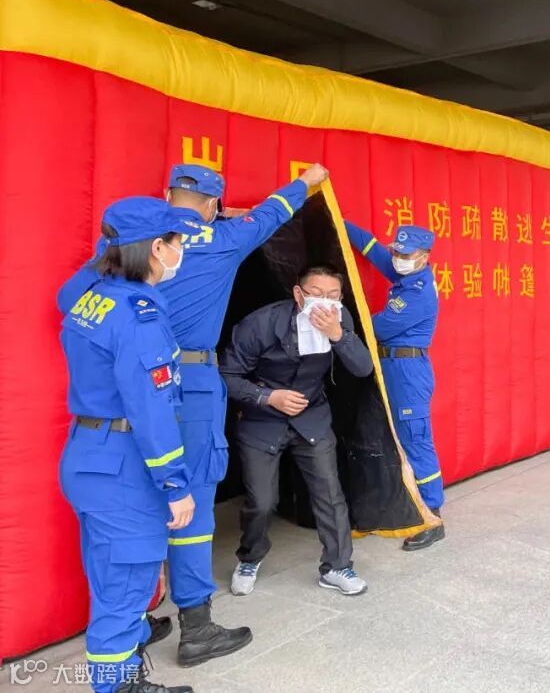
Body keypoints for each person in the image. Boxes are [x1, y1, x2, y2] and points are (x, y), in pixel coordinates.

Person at [57, 162, 330, 661]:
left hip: (118, 396)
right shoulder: (224, 238)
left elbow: (68, 300)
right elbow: (273, 212)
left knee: (131, 501)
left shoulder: (117, 248)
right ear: (212, 206)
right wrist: (307, 181)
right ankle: (196, 625)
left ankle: (132, 624)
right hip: (192, 385)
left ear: (167, 196)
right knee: (192, 502)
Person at [57, 197, 196, 693]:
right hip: (122, 465)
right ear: (157, 248)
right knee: (125, 584)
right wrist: (176, 486)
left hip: (87, 454)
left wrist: (111, 245)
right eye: (176, 242)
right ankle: (117, 685)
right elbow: (151, 412)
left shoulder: (91, 294)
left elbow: (64, 295)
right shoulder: (139, 318)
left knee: (109, 571)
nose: (181, 251)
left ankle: (128, 657)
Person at [222, 265, 373, 594]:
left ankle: (337, 566)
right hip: (262, 419)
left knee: (330, 494)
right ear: (298, 294)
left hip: (311, 417)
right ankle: (250, 557)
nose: (325, 302)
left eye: (333, 296)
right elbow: (227, 376)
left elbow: (363, 367)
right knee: (261, 502)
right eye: (316, 294)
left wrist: (338, 335)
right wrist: (267, 397)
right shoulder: (260, 324)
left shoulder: (339, 319)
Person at [344, 222, 448, 546]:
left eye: (406, 255)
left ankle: (432, 515)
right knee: (395, 436)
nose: (398, 259)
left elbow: (377, 327)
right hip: (392, 367)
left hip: (408, 372)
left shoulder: (418, 293)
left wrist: (340, 321)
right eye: (397, 252)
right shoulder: (407, 274)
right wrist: (335, 219)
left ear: (424, 257)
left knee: (415, 439)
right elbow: (372, 248)